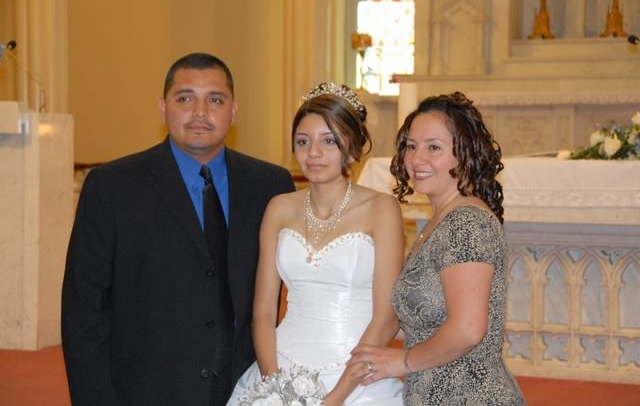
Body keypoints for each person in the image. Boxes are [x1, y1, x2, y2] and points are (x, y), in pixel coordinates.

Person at [62, 52, 295, 405]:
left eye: (215, 100)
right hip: (144, 392)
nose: (200, 112)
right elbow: (83, 309)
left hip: (246, 389)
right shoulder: (112, 187)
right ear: (163, 108)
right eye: (185, 99)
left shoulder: (270, 185)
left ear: (233, 111)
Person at [227, 83, 405, 405]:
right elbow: (264, 311)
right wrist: (275, 388)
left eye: (328, 141)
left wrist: (335, 397)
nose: (313, 153)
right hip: (280, 368)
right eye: (303, 141)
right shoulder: (279, 208)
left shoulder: (381, 209)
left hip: (356, 375)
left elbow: (386, 317)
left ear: (352, 148)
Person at [348, 92, 526, 404]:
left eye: (434, 147)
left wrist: (402, 361)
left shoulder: (466, 222)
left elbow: (467, 329)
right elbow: (428, 324)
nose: (417, 159)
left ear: (465, 153)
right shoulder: (441, 221)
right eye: (411, 146)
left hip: (470, 396)